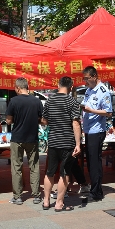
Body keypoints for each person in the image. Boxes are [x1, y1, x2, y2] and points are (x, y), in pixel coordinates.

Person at [41, 77, 81, 212]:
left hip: (53, 141)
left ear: (58, 85)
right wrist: (78, 144)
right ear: (71, 86)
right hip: (67, 142)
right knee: (64, 173)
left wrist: (54, 122)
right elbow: (75, 123)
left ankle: (46, 201)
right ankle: (59, 203)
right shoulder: (72, 102)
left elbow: (44, 121)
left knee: (50, 172)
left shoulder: (49, 100)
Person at [6, 77, 43, 205]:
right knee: (34, 166)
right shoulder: (36, 101)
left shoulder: (13, 101)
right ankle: (37, 195)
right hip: (32, 138)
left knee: (16, 167)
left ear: (17, 88)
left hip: (17, 138)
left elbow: (9, 121)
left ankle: (18, 196)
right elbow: (42, 120)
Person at [81, 66, 112, 201]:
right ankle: (94, 188)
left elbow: (109, 112)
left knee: (95, 162)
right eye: (84, 79)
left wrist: (91, 111)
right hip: (88, 129)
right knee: (90, 162)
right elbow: (85, 105)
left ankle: (97, 191)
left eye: (87, 79)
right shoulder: (89, 90)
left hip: (97, 130)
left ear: (94, 76)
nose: (85, 82)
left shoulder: (103, 91)